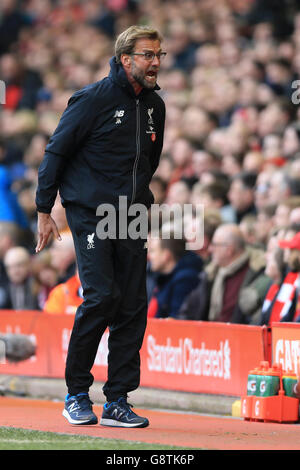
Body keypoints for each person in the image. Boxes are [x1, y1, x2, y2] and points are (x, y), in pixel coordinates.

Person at [35, 25, 166, 428]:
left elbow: (150, 161)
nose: (156, 62)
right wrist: (45, 209)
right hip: (90, 212)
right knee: (100, 296)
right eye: (148, 55)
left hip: (132, 215)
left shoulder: (155, 107)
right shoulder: (92, 99)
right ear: (126, 58)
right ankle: (76, 394)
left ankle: (117, 400)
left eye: (159, 55)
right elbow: (56, 150)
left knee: (131, 305)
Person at [179, 224, 270, 324]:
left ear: (229, 250)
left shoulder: (256, 272)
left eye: (214, 245)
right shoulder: (211, 272)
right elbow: (190, 308)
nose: (210, 249)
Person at [147, 234, 203, 319]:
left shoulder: (185, 280)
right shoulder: (164, 277)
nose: (150, 256)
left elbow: (177, 318)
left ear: (166, 255)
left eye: (153, 251)